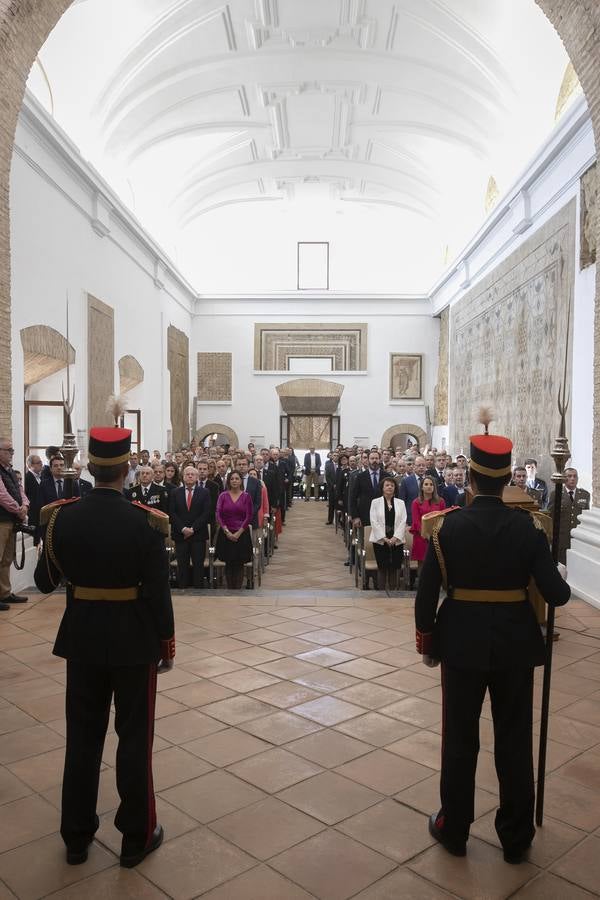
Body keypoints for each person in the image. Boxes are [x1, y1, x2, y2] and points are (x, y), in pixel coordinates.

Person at [415, 423, 570, 864]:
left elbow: (426, 596)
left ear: (472, 477)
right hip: (515, 646)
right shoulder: (529, 530)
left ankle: (455, 827)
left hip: (460, 643)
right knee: (515, 740)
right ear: (506, 479)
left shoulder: (447, 528)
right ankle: (516, 836)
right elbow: (557, 595)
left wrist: (427, 640)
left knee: (460, 739)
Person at [33, 426, 174, 868]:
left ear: (90, 468)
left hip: (83, 639)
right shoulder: (147, 522)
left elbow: (44, 582)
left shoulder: (61, 517)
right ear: (127, 466)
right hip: (134, 642)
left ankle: (76, 837)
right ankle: (136, 836)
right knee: (134, 739)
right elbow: (158, 593)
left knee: (82, 739)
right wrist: (165, 645)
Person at [168, 465, 210, 589]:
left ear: (197, 477)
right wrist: (183, 529)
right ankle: (182, 588)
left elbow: (206, 513)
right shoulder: (175, 492)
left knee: (198, 564)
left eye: (192, 474)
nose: (190, 476)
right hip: (181, 535)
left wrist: (193, 529)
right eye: (187, 474)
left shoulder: (204, 492)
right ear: (183, 477)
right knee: (182, 564)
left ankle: (198, 589)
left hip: (198, 535)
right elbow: (172, 513)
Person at [0, 437, 29, 610]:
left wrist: (25, 505)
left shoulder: (9, 470)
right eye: (8, 450)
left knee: (6, 559)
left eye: (12, 450)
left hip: (10, 520)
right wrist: (18, 509)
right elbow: (2, 495)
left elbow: (20, 489)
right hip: (2, 520)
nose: (11, 453)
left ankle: (4, 593)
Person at [215, 470, 253, 589]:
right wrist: (227, 531)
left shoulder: (246, 496)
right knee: (229, 562)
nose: (234, 481)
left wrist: (238, 533)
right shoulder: (223, 496)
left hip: (241, 534)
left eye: (237, 478)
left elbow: (249, 516)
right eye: (232, 479)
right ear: (228, 481)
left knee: (239, 564)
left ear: (241, 481)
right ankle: (230, 589)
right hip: (226, 533)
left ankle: (238, 590)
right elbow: (218, 514)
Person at [369, 475, 407, 590]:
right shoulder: (375, 502)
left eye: (392, 485)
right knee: (382, 566)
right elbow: (373, 521)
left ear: (395, 488)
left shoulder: (400, 503)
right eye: (387, 485)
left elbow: (403, 521)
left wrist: (395, 537)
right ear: (382, 488)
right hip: (380, 539)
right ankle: (381, 590)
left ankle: (393, 590)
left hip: (397, 539)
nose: (390, 487)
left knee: (394, 566)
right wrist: (384, 538)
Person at [548, 467, 591, 563]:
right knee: (561, 565)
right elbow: (551, 517)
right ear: (564, 479)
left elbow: (585, 517)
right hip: (561, 538)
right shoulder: (555, 494)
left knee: (577, 564)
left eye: (575, 476)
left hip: (578, 538)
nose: (572, 479)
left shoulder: (584, 495)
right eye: (569, 476)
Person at [410, 476, 446, 572]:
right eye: (426, 484)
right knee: (422, 564)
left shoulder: (441, 501)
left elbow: (443, 519)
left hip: (436, 537)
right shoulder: (416, 502)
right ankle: (422, 585)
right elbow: (416, 521)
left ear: (434, 487)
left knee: (437, 563)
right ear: (421, 487)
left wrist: (434, 534)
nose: (429, 486)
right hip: (421, 537)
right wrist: (426, 534)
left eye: (431, 484)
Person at [349, 450, 392, 527]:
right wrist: (355, 516)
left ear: (380, 460)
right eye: (372, 458)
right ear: (368, 460)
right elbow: (353, 498)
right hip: (365, 515)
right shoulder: (360, 477)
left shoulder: (387, 476)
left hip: (383, 516)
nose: (374, 460)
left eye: (376, 458)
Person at [399, 455, 428, 525]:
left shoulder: (432, 481)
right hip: (411, 519)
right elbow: (401, 502)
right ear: (414, 467)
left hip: (428, 517)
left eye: (423, 465)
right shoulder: (406, 481)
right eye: (419, 465)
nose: (421, 467)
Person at [25, 453, 44, 545]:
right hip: (33, 514)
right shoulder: (27, 478)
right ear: (30, 465)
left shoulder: (41, 477)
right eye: (38, 462)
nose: (41, 464)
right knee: (33, 543)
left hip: (41, 514)